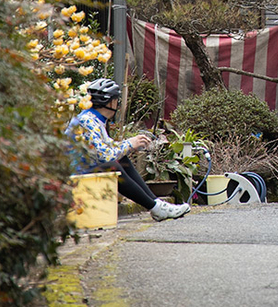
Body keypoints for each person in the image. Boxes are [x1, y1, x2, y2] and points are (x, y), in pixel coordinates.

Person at [65, 78, 190, 221]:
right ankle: (156, 207)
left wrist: (130, 144)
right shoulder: (87, 120)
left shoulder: (93, 118)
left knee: (121, 159)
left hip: (81, 170)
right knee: (112, 165)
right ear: (110, 102)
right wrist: (130, 144)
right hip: (73, 175)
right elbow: (105, 156)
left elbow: (107, 148)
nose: (118, 105)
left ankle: (157, 205)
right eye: (116, 100)